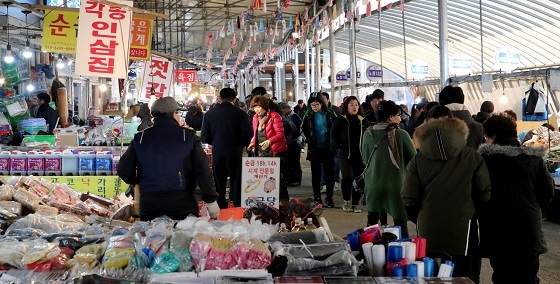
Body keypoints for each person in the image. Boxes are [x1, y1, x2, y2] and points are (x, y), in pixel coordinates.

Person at [401, 117, 491, 283]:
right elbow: (484, 192)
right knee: (464, 274)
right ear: (459, 134)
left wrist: (419, 217)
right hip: (464, 226)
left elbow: (408, 197)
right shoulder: (472, 156)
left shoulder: (418, 160)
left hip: (428, 225)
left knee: (430, 272)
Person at [478, 115, 554, 284]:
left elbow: (478, 193)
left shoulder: (484, 161)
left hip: (498, 228)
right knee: (528, 275)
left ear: (493, 136)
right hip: (528, 226)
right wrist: (533, 208)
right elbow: (547, 191)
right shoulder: (534, 159)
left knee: (502, 275)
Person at [118, 97, 219, 221]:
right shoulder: (187, 136)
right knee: (182, 238)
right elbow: (203, 170)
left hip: (149, 203)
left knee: (153, 239)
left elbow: (123, 169)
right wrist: (211, 200)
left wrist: (138, 180)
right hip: (182, 202)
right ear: (174, 113)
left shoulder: (140, 138)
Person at [362, 100, 416, 237]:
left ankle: (370, 252)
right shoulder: (401, 134)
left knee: (372, 225)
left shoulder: (367, 134)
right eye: (398, 115)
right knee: (400, 223)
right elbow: (414, 160)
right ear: (391, 118)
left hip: (373, 184)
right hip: (396, 185)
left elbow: (365, 158)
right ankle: (402, 253)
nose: (400, 118)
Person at [202, 88, 253, 208]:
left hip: (218, 152)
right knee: (236, 179)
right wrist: (240, 144)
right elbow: (248, 134)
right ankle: (236, 204)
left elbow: (204, 136)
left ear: (220, 98)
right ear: (234, 99)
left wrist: (216, 142)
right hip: (235, 152)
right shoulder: (241, 113)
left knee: (219, 180)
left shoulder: (210, 114)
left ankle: (221, 206)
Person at [331, 96, 370, 212]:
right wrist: (339, 146)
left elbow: (369, 135)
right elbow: (333, 134)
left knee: (358, 179)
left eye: (356, 105)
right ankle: (346, 200)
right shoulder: (340, 119)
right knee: (347, 177)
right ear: (346, 107)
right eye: (351, 105)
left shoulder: (363, 120)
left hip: (360, 155)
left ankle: (355, 204)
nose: (354, 107)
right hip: (344, 155)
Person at [247, 96, 289, 201]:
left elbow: (280, 134)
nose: (256, 110)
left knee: (276, 179)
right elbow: (255, 134)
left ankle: (283, 201)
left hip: (274, 152)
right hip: (260, 152)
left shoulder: (275, 116)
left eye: (258, 107)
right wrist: (252, 143)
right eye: (254, 107)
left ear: (264, 106)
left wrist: (270, 141)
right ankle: (265, 200)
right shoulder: (255, 118)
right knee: (262, 178)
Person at [302, 93, 337, 207]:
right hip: (315, 149)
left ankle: (329, 198)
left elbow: (336, 128)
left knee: (329, 175)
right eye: (312, 105)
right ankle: (317, 198)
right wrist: (307, 138)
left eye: (317, 104)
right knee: (315, 175)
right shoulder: (308, 115)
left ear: (322, 103)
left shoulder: (330, 114)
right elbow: (303, 129)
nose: (315, 107)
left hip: (328, 149)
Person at [280, 102, 303, 186]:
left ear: (287, 109)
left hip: (295, 142)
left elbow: (298, 130)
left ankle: (297, 179)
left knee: (295, 161)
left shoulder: (295, 117)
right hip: (288, 143)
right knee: (289, 162)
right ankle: (290, 179)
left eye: (282, 110)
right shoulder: (287, 117)